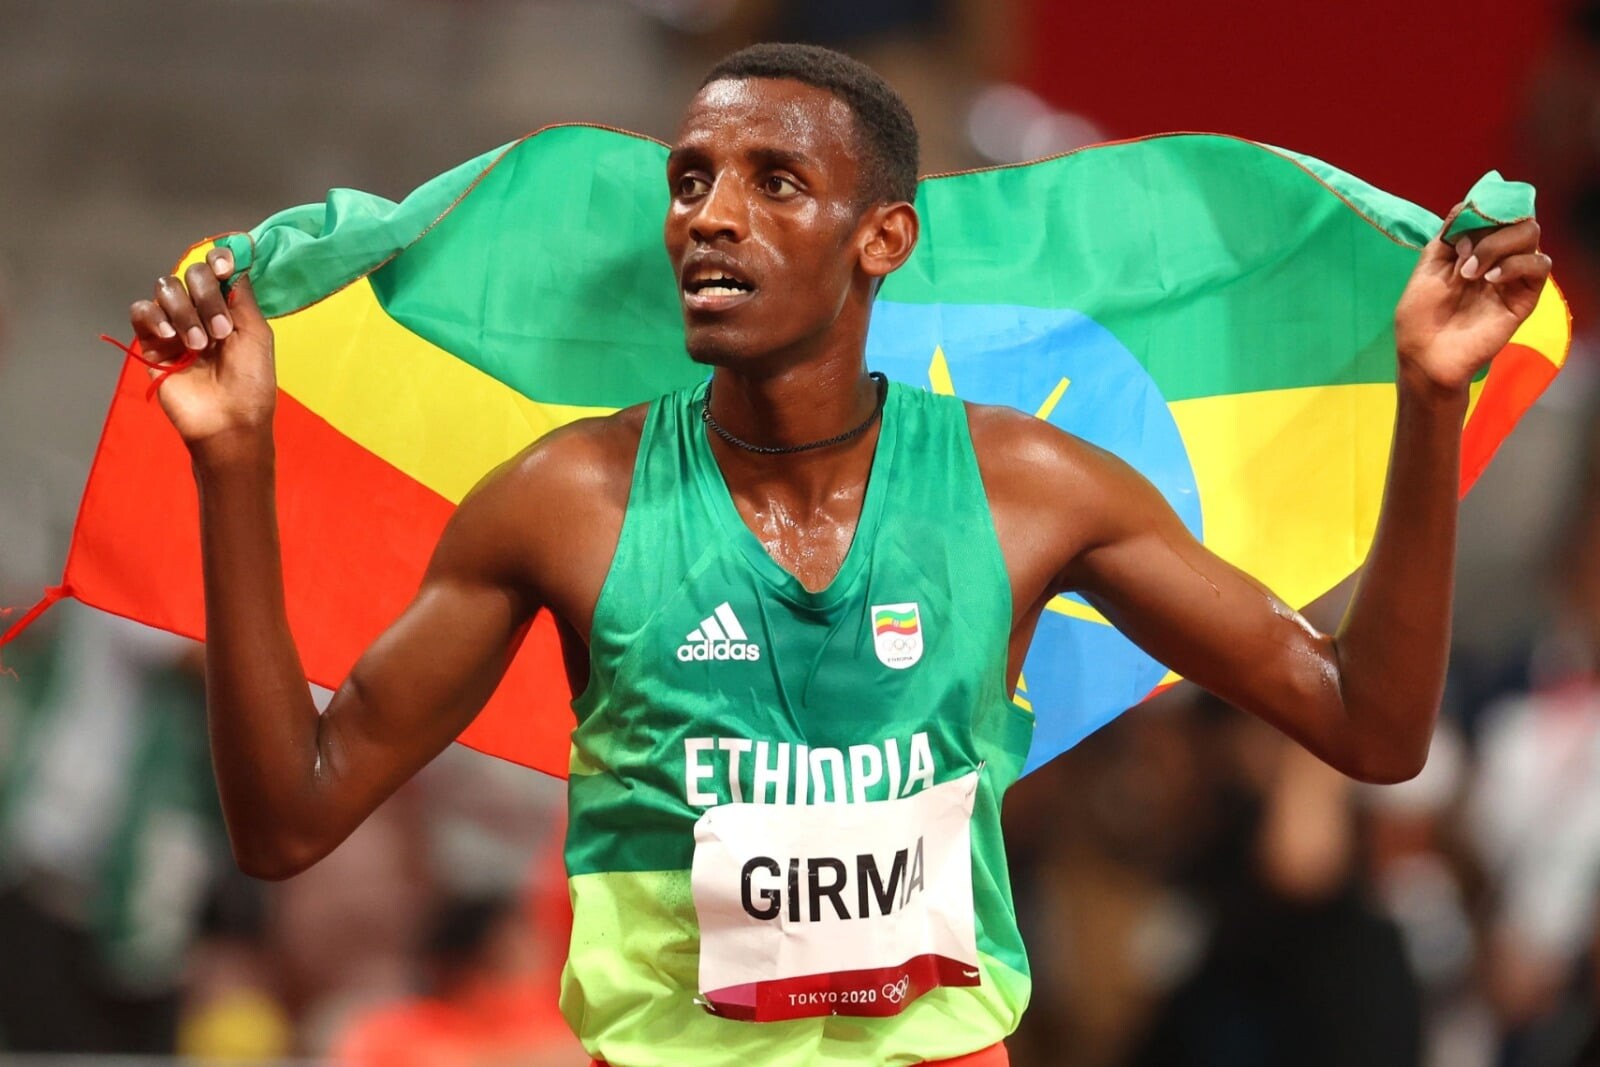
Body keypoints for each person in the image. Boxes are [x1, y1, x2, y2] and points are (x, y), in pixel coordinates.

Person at [124, 41, 1550, 1067]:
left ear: (882, 239)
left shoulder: (1026, 489)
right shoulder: (566, 502)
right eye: (691, 180)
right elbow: (287, 822)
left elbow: (1370, 728)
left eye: (774, 182)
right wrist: (234, 459)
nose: (712, 215)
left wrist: (1430, 400)